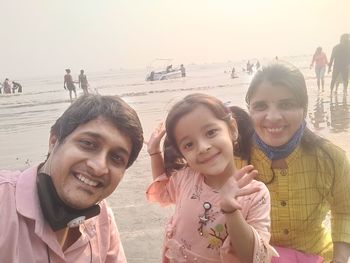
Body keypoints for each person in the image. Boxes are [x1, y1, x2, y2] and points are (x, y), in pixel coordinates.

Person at [0, 94, 144, 262]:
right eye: (88, 144)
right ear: (54, 141)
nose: (98, 168)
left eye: (117, 158)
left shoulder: (103, 219)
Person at [145, 93, 277, 262]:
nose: (203, 147)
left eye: (211, 132)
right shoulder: (186, 178)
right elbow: (163, 190)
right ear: (182, 153)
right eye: (189, 144)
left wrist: (231, 210)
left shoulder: (254, 193)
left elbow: (253, 257)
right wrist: (155, 153)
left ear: (232, 129)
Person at [245, 62, 350, 262]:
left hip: (317, 256)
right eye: (261, 106)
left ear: (304, 108)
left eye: (286, 105)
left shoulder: (332, 158)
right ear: (249, 110)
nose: (273, 117)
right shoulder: (235, 159)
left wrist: (339, 259)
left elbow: (345, 211)